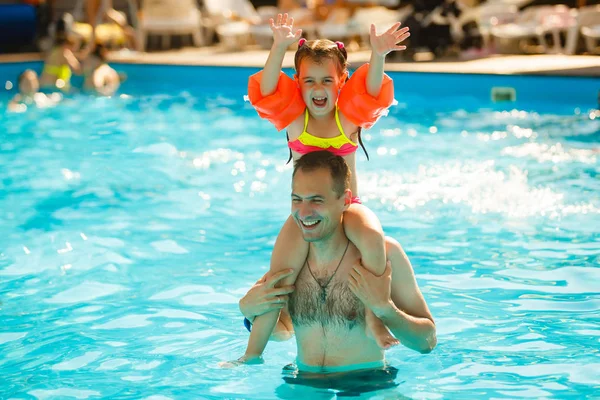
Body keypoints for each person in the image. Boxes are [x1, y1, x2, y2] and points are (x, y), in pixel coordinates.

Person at [244, 12, 410, 354]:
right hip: (306, 213)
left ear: (342, 82)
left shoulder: (347, 117)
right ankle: (251, 353)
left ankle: (373, 317)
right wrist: (278, 47)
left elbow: (373, 91)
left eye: (327, 81)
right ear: (298, 82)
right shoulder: (294, 120)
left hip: (348, 207)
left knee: (373, 237)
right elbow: (268, 89)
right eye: (309, 81)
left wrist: (378, 56)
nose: (318, 89)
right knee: (279, 278)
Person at [229, 151, 436, 371]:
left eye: (316, 200)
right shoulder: (293, 261)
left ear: (345, 201)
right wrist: (248, 312)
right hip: (303, 382)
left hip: (367, 383)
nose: (304, 212)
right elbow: (284, 331)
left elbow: (427, 342)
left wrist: (385, 309)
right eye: (297, 200)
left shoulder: (385, 255)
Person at [40, 14, 82, 91]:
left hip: (45, 87)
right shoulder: (65, 54)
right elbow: (79, 71)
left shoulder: (54, 50)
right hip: (53, 90)